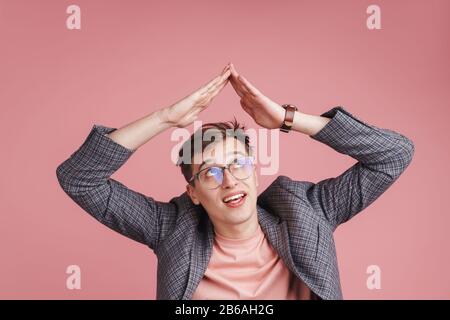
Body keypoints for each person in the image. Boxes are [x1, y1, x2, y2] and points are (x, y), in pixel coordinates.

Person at [56, 63, 415, 300]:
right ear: (193, 193)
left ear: (257, 172)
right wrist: (165, 119)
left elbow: (393, 154)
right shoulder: (171, 228)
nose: (229, 180)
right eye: (210, 172)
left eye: (238, 164)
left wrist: (289, 120)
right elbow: (79, 179)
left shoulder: (307, 211)